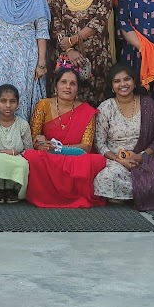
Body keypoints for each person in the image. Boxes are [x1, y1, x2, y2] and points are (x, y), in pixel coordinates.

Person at [94, 65, 154, 211]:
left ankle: (127, 195)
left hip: (145, 159)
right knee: (105, 178)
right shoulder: (105, 108)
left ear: (134, 82)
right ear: (112, 86)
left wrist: (141, 156)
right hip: (115, 161)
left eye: (127, 79)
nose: (123, 84)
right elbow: (100, 143)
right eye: (117, 81)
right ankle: (146, 192)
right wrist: (119, 160)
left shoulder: (148, 104)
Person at [22, 69, 106, 208]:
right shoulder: (43, 105)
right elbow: (34, 140)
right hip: (49, 156)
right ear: (56, 86)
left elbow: (86, 147)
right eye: (64, 82)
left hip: (74, 156)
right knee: (31, 156)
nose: (68, 87)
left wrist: (60, 149)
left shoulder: (87, 111)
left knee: (97, 160)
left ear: (77, 88)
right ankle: (45, 196)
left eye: (73, 83)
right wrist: (41, 143)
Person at [48, 0, 116, 104]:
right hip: (66, 54)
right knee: (66, 97)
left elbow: (100, 19)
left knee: (94, 101)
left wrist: (74, 39)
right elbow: (56, 19)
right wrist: (69, 49)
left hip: (95, 53)